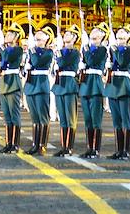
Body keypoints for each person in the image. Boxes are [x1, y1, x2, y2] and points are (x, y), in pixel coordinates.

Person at [104, 24, 130, 160]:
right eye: (119, 32)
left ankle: (126, 151)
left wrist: (114, 49)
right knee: (116, 120)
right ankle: (119, 150)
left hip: (124, 85)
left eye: (124, 32)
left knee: (126, 119)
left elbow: (122, 61)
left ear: (129, 36)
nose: (120, 34)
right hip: (113, 85)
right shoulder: (112, 49)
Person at [22, 26, 55, 156]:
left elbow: (36, 61)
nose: (38, 36)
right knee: (35, 118)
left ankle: (42, 145)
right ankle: (35, 144)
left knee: (43, 117)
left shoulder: (49, 52)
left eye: (42, 34)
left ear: (47, 38)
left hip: (41, 84)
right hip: (31, 84)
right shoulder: (32, 51)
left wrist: (32, 52)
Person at [79, 24, 109, 159]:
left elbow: (91, 60)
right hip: (86, 85)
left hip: (95, 85)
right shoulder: (88, 49)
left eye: (97, 33)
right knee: (87, 120)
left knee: (96, 120)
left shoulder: (102, 49)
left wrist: (85, 47)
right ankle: (89, 147)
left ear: (102, 36)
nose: (93, 34)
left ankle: (95, 149)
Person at [52, 26, 82, 156]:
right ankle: (63, 146)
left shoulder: (75, 52)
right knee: (63, 118)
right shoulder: (61, 51)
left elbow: (63, 62)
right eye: (66, 33)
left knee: (70, 118)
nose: (66, 35)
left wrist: (58, 53)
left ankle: (69, 146)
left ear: (75, 37)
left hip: (69, 85)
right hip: (60, 84)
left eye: (69, 34)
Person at [0, 23, 25, 153]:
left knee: (14, 115)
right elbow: (1, 64)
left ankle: (15, 144)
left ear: (16, 37)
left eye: (9, 34)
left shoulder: (18, 50)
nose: (6, 36)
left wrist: (2, 49)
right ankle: (8, 143)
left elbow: (7, 58)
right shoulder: (4, 49)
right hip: (4, 83)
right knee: (7, 116)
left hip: (13, 83)